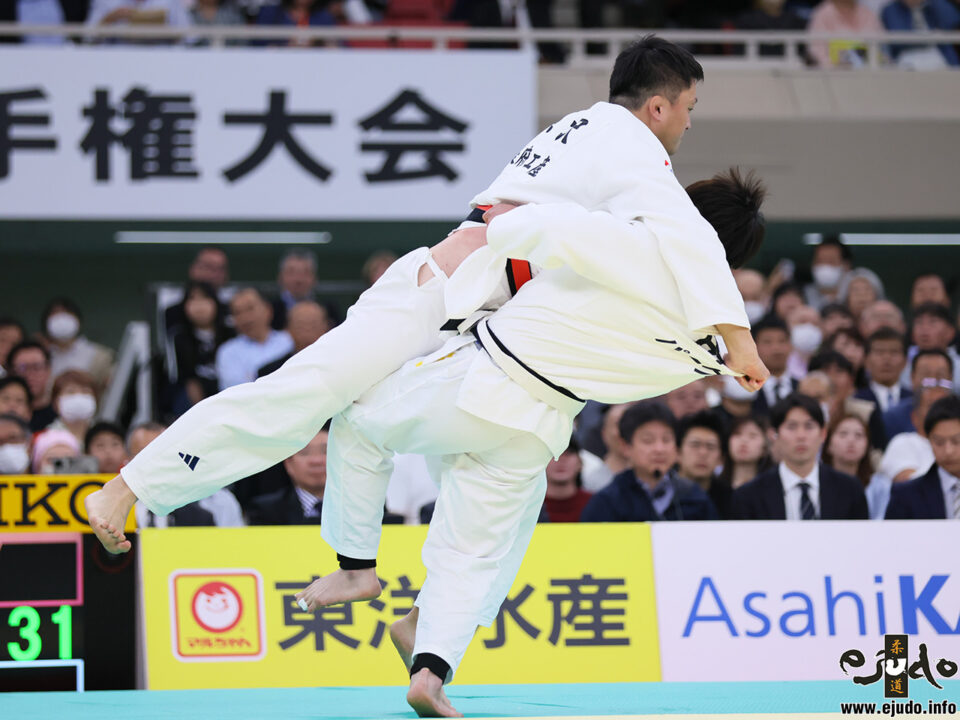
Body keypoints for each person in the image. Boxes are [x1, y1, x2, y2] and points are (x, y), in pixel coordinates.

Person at [731, 394, 869, 520]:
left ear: (823, 434)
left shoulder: (850, 489)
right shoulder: (749, 495)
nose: (801, 436)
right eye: (792, 427)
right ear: (774, 435)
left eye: (809, 426)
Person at [580, 402, 718, 522]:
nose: (659, 449)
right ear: (626, 446)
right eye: (648, 440)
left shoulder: (696, 497)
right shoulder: (608, 501)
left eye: (666, 440)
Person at [127, 421, 245, 528]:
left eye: (161, 454)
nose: (153, 463)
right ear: (128, 460)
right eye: (143, 455)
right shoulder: (115, 507)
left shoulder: (201, 516)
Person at [165, 280, 235, 414]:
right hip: (194, 400)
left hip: (227, 392)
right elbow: (189, 380)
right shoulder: (179, 337)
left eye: (205, 298)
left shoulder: (230, 333)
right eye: (192, 299)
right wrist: (203, 412)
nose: (199, 305)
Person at [885, 395, 960, 518]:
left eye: (956, 441)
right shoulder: (905, 495)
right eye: (939, 442)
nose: (948, 451)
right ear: (928, 440)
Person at [247, 427, 330, 525]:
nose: (316, 461)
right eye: (304, 452)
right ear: (288, 464)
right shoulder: (265, 511)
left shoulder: (351, 507)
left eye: (326, 451)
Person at [215, 288, 294, 389]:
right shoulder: (227, 352)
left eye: (250, 309)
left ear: (268, 310)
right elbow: (238, 389)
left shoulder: (288, 340)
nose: (245, 318)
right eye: (237, 312)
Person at [41, 297, 114, 393]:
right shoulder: (41, 356)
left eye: (67, 314)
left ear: (78, 320)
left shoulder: (101, 356)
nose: (61, 320)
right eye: (55, 314)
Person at [884, 348, 953, 441]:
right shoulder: (893, 417)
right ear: (912, 377)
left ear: (951, 378)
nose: (932, 382)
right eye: (926, 375)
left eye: (940, 376)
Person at [712, 415, 772, 518]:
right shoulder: (714, 489)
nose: (744, 441)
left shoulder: (771, 489)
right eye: (737, 434)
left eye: (752, 436)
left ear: (765, 448)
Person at [258, 300, 332, 378]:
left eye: (313, 325)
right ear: (288, 330)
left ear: (326, 328)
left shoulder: (339, 366)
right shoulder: (271, 373)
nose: (307, 332)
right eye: (301, 326)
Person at [881, 0, 960, 69]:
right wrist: (930, 36)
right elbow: (899, 39)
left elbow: (951, 20)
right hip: (908, 55)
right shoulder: (891, 9)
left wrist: (932, 4)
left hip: (936, 53)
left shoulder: (932, 6)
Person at [807, 0, 884, 67]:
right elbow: (816, 51)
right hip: (832, 74)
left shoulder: (867, 13)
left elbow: (878, 45)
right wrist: (833, 66)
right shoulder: (822, 14)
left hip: (867, 72)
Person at [902, 302, 960, 389]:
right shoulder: (901, 366)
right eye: (919, 322)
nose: (924, 328)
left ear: (950, 332)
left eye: (933, 322)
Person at [581, 402, 635, 492]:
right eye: (619, 424)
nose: (625, 431)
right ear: (604, 433)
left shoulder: (653, 480)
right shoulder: (588, 481)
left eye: (631, 425)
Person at [751, 315, 798, 417]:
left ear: (791, 345)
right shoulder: (746, 388)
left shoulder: (802, 387)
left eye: (782, 341)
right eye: (767, 342)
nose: (776, 348)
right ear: (754, 347)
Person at [855, 327, 911, 413]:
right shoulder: (856, 401)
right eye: (879, 352)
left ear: (905, 361)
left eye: (894, 352)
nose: (887, 359)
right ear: (866, 361)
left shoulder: (914, 401)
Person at [7, 341, 55, 431]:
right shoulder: (4, 417)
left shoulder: (60, 416)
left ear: (48, 370)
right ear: (11, 372)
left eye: (37, 367)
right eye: (22, 368)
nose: (30, 374)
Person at [542, 436, 592, 523]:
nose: (560, 459)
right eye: (553, 454)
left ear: (580, 463)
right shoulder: (527, 506)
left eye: (569, 453)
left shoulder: (597, 503)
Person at [675, 410, 725, 493]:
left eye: (710, 446)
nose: (703, 453)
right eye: (695, 444)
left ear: (721, 459)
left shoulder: (731, 499)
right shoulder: (660, 495)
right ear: (678, 453)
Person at [270, 249, 321, 330]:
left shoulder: (329, 311)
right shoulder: (269, 311)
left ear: (315, 278)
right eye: (291, 272)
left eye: (305, 272)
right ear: (280, 277)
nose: (298, 279)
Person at [46, 370, 100, 445]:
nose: (78, 398)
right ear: (56, 401)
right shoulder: (47, 438)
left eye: (85, 392)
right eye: (70, 392)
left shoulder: (103, 434)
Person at [823, 413, 874, 487]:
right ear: (828, 445)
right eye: (843, 434)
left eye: (858, 435)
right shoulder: (817, 483)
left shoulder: (879, 485)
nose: (851, 440)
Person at [803, 236, 853, 310]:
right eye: (820, 261)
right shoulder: (803, 296)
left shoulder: (857, 295)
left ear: (846, 265)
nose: (825, 266)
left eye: (831, 261)